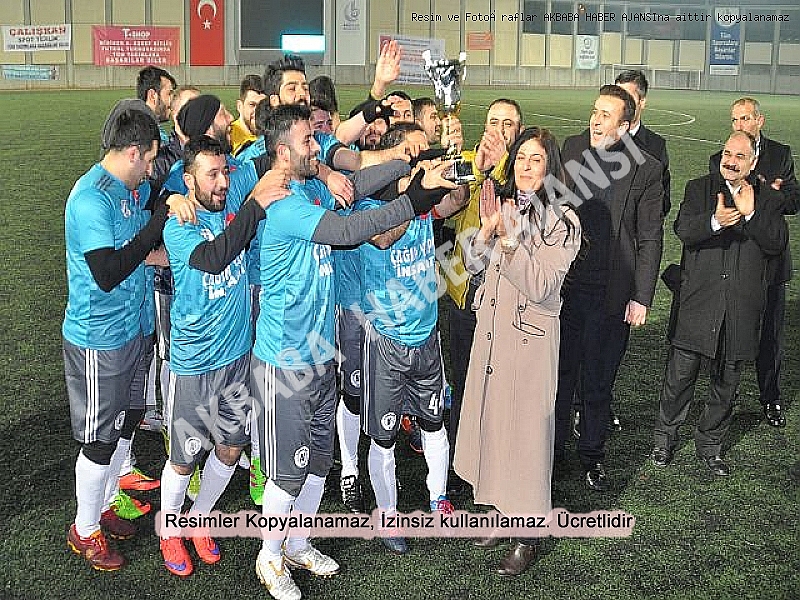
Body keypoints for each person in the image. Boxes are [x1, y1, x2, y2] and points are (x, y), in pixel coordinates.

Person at [249, 104, 456, 600]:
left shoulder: (311, 188)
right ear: (283, 152)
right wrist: (416, 199)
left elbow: (358, 184)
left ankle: (297, 544)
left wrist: (410, 161)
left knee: (318, 462)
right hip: (286, 362)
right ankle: (269, 556)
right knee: (288, 471)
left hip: (320, 353)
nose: (317, 147)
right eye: (308, 141)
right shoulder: (284, 205)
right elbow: (348, 231)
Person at [158, 136, 289, 576]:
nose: (221, 182)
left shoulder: (231, 203)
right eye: (211, 174)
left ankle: (198, 520)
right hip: (195, 364)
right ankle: (169, 531)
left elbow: (270, 157)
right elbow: (214, 258)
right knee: (184, 458)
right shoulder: (180, 225)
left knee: (231, 448)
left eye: (224, 172)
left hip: (237, 359)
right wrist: (255, 205)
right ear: (189, 178)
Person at [455, 126, 581, 576]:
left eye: (536, 160)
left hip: (529, 343)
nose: (526, 167)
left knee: (527, 440)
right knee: (493, 427)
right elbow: (470, 265)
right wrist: (487, 232)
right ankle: (497, 509)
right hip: (493, 335)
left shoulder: (564, 222)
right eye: (522, 158)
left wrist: (508, 242)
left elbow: (541, 284)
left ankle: (527, 535)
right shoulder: (505, 205)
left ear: (550, 169)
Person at [355, 123, 469, 555]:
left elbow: (457, 201)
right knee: (383, 437)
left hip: (426, 335)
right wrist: (415, 197)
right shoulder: (367, 204)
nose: (424, 159)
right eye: (415, 153)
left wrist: (458, 167)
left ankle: (439, 499)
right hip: (385, 339)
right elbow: (383, 239)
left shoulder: (424, 201)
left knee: (434, 423)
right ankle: (388, 514)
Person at [63, 103, 166, 571]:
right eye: (149, 160)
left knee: (130, 418)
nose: (150, 170)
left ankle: (103, 507)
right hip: (99, 337)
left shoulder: (127, 189)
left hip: (134, 327)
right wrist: (156, 226)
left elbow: (137, 253)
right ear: (132, 152)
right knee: (100, 438)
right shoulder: (90, 198)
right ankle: (84, 530)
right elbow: (107, 272)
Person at [652, 132, 787, 475]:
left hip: (740, 311)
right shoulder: (699, 189)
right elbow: (684, 229)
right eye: (727, 153)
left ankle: (710, 446)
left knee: (726, 387)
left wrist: (752, 215)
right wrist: (715, 222)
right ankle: (664, 441)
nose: (731, 161)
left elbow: (776, 243)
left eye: (740, 156)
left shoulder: (770, 201)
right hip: (698, 305)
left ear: (753, 163)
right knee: (678, 380)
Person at [554, 84, 664, 492]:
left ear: (626, 125)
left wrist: (641, 296)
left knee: (598, 383)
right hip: (565, 291)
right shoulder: (571, 149)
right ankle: (553, 453)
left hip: (612, 296)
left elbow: (650, 237)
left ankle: (592, 455)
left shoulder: (646, 169)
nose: (596, 120)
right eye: (595, 111)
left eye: (606, 115)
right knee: (560, 377)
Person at [443, 98, 523, 494]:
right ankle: (459, 464)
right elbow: (447, 208)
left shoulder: (523, 169)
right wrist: (477, 168)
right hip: (465, 292)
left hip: (503, 298)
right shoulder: (469, 164)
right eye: (494, 122)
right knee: (463, 382)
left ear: (518, 131)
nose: (499, 130)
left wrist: (503, 161)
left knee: (500, 387)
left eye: (508, 124)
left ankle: (494, 464)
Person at [709, 97, 800, 429]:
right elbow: (721, 200)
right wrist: (764, 194)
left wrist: (763, 194)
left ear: (760, 120)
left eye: (745, 118)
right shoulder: (718, 159)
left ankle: (771, 397)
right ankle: (724, 396)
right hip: (733, 260)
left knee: (771, 336)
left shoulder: (781, 154)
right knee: (728, 331)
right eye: (735, 120)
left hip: (771, 262)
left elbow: (794, 201)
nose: (740, 125)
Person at [136, 65, 177, 142]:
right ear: (152, 96)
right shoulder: (149, 137)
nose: (173, 100)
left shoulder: (148, 127)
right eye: (169, 93)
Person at [231, 74, 267, 156]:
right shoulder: (227, 138)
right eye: (252, 105)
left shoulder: (272, 133)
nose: (258, 112)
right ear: (239, 106)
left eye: (263, 105)